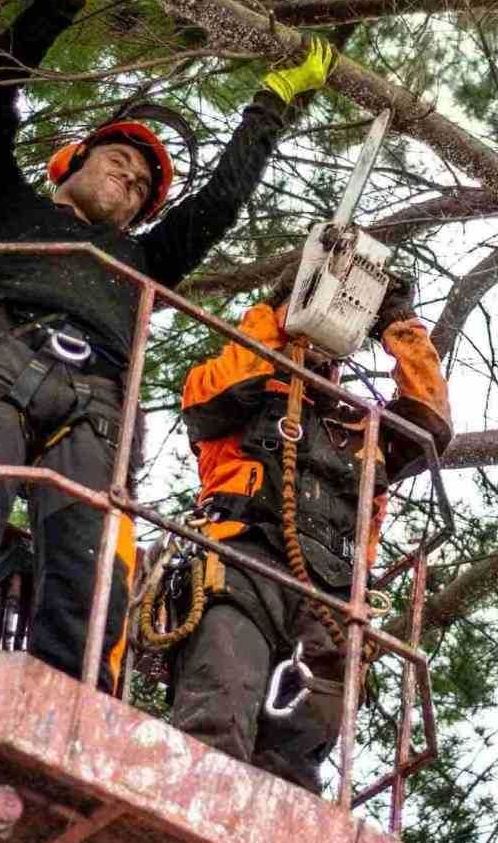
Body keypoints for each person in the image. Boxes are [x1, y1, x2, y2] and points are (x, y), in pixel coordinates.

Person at [0, 0, 336, 698]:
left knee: (93, 572)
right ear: (71, 163)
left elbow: (218, 203)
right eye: (120, 162)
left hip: (92, 401)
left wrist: (273, 102)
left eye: (144, 187)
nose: (132, 180)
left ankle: (72, 706)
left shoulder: (144, 259)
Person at [164, 279, 451, 791]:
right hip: (242, 566)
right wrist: (276, 308)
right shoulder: (244, 393)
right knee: (220, 704)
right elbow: (226, 387)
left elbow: (431, 421)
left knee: (299, 755)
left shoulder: (366, 427)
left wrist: (398, 326)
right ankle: (187, 821)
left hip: (333, 601)